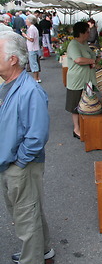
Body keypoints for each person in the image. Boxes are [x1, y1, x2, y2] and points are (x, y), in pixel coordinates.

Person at [0, 31, 54, 264]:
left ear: (13, 59)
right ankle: (42, 251)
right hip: (10, 161)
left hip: (20, 164)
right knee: (28, 210)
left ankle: (32, 259)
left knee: (25, 214)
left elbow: (37, 136)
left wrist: (19, 162)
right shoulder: (10, 85)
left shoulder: (30, 90)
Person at [65, 22, 97, 139]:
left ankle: (85, 125)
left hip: (86, 79)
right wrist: (92, 61)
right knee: (75, 105)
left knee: (86, 102)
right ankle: (76, 128)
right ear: (81, 32)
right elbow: (78, 59)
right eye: (87, 31)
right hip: (76, 80)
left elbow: (90, 56)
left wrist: (93, 60)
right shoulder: (74, 44)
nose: (89, 34)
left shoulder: (84, 44)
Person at [22, 15, 41, 83]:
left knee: (33, 64)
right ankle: (37, 77)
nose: (25, 21)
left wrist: (25, 36)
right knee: (36, 63)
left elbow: (31, 39)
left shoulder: (31, 29)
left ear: (30, 21)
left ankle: (36, 78)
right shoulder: (34, 28)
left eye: (26, 20)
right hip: (35, 47)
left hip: (32, 48)